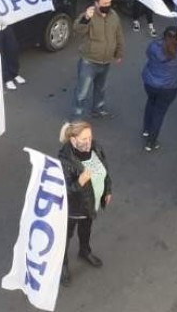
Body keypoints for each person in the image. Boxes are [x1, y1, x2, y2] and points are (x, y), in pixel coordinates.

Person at [57, 121, 112, 287]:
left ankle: (84, 251)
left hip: (89, 204)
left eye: (90, 137)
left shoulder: (96, 147)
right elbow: (63, 189)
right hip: (73, 209)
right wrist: (79, 182)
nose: (88, 142)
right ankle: (62, 264)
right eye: (84, 138)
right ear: (73, 140)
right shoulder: (65, 160)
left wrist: (107, 190)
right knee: (65, 237)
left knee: (86, 230)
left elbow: (105, 171)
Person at [71, 0, 124, 120]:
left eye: (109, 2)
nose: (108, 5)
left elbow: (119, 35)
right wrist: (86, 18)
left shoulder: (113, 15)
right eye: (104, 3)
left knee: (101, 89)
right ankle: (77, 117)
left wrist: (119, 53)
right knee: (82, 92)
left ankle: (98, 109)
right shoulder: (90, 15)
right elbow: (77, 29)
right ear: (96, 3)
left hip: (106, 61)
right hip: (89, 61)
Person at [141, 26, 177, 151]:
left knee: (151, 103)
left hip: (150, 83)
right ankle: (151, 142)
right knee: (159, 112)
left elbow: (148, 53)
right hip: (170, 87)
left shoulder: (154, 47)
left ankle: (146, 129)